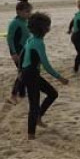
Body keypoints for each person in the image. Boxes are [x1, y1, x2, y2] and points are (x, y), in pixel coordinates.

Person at [21, 12, 69, 140]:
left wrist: (20, 71)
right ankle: (31, 134)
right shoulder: (38, 43)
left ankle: (38, 118)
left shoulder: (30, 38)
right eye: (48, 26)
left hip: (29, 73)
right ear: (43, 29)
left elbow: (22, 54)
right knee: (34, 104)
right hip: (31, 75)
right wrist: (60, 78)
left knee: (53, 93)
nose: (49, 28)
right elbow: (46, 66)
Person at [6, 0, 32, 104]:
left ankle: (22, 93)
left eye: (30, 11)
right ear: (19, 11)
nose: (29, 14)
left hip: (25, 50)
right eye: (27, 12)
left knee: (25, 71)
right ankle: (13, 95)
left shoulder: (25, 21)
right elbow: (10, 38)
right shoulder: (15, 23)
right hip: (18, 51)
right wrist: (13, 53)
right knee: (23, 72)